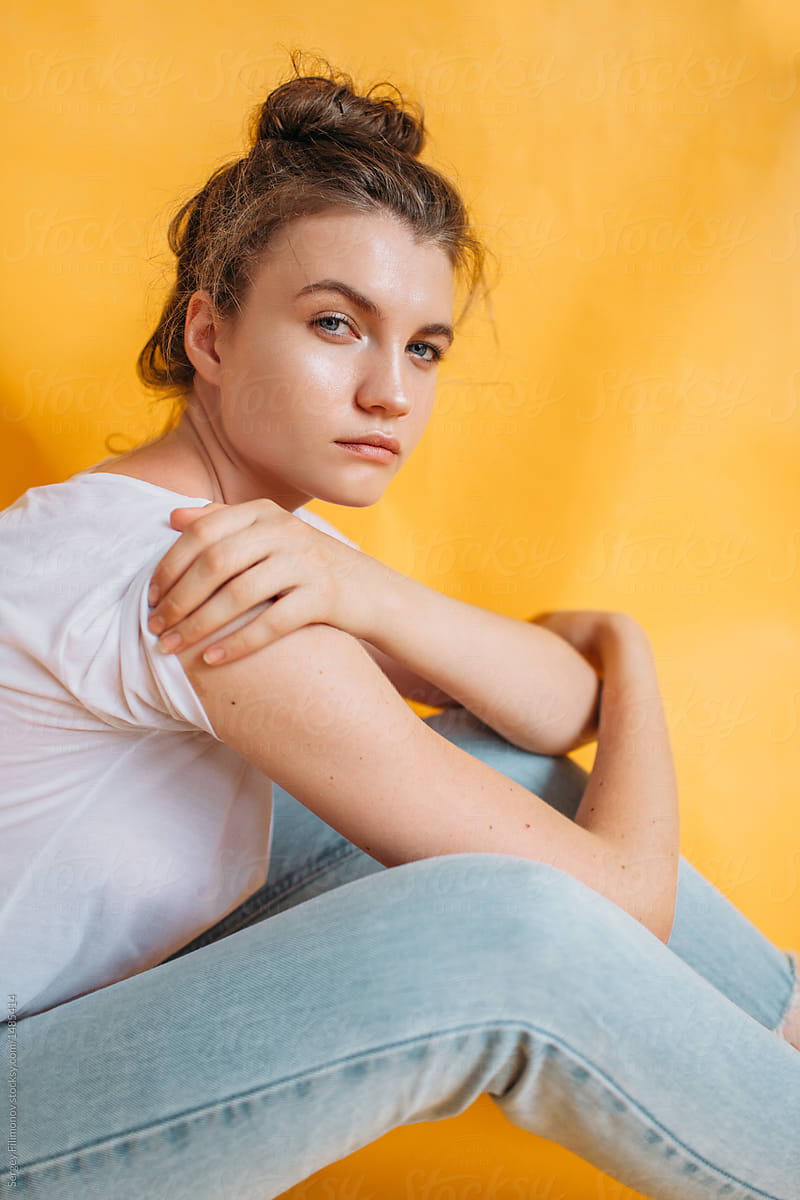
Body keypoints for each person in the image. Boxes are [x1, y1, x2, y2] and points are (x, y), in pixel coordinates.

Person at [1, 51, 798, 1200]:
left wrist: (373, 594)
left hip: (75, 1040)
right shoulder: (196, 580)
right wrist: (633, 654)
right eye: (336, 324)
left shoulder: (223, 534)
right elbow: (615, 908)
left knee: (491, 766)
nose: (391, 392)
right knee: (509, 934)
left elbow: (546, 711)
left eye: (423, 347)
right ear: (210, 336)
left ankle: (778, 1028)